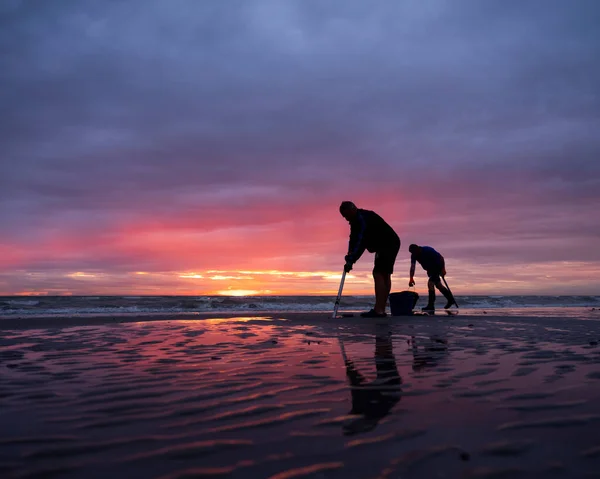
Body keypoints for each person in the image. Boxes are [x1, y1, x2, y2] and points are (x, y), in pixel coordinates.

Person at [339, 201, 400, 318]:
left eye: (347, 215)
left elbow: (361, 241)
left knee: (378, 273)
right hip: (390, 243)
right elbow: (353, 239)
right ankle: (381, 309)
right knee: (384, 274)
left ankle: (379, 310)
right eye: (344, 216)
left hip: (387, 243)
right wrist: (350, 256)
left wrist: (351, 260)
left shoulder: (362, 220)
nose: (346, 219)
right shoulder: (356, 221)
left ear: (353, 209)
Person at [408, 244, 456, 311]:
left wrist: (443, 269)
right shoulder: (414, 255)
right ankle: (451, 299)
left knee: (430, 283)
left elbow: (441, 258)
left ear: (418, 249)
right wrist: (411, 278)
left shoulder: (428, 250)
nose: (414, 254)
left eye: (415, 252)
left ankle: (431, 305)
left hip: (437, 266)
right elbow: (413, 267)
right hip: (430, 269)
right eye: (412, 253)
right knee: (439, 285)